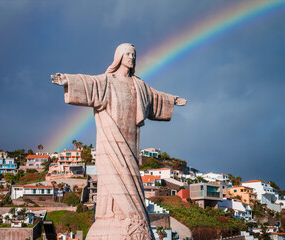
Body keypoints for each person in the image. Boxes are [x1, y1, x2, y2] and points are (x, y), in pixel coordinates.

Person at [52, 43, 187, 240]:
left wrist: (172, 100)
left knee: (131, 174)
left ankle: (134, 218)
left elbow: (155, 97)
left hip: (131, 141)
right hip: (111, 139)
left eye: (134, 55)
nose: (132, 58)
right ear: (119, 57)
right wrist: (67, 80)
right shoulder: (108, 81)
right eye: (128, 54)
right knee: (112, 175)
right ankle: (111, 216)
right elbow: (89, 83)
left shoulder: (139, 85)